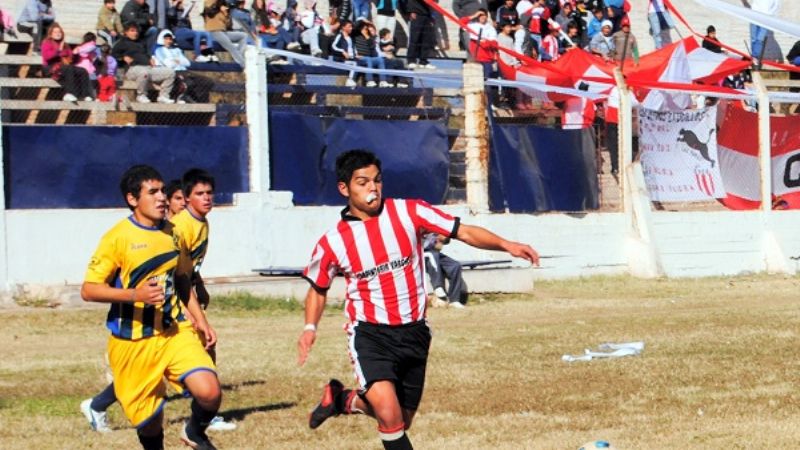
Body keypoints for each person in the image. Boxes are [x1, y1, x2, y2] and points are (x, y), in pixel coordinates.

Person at [298, 149, 539, 450]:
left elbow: (462, 232)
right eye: (362, 182)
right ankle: (353, 400)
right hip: (371, 335)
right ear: (344, 188)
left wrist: (506, 244)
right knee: (388, 414)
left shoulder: (410, 212)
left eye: (377, 180)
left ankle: (343, 399)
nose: (372, 188)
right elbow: (318, 287)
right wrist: (310, 328)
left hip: (414, 332)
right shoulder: (333, 241)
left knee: (401, 419)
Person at [80, 164, 221, 450]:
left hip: (173, 331)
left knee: (210, 392)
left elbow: (182, 279)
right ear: (133, 199)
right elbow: (89, 290)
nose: (161, 198)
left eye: (162, 192)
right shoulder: (117, 238)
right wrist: (135, 295)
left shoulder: (173, 232)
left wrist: (201, 321)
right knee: (150, 423)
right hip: (132, 341)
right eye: (152, 192)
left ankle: (194, 432)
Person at [112, 23, 177, 103]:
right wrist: (122, 58)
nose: (135, 33)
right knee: (144, 72)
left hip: (149, 68)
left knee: (170, 72)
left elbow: (146, 54)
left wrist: (150, 58)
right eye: (132, 31)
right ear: (126, 32)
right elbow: (113, 56)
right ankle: (141, 95)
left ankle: (163, 96)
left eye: (136, 31)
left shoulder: (141, 43)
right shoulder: (121, 43)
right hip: (132, 70)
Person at [153, 29, 215, 103]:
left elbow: (187, 63)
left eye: (170, 39)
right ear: (161, 39)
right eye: (166, 39)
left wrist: (175, 60)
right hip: (174, 73)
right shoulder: (159, 50)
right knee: (188, 83)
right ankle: (182, 98)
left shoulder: (177, 50)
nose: (169, 41)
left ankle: (199, 101)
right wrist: (178, 61)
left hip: (185, 71)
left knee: (207, 82)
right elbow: (169, 64)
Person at [40, 23, 94, 102]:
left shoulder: (65, 44)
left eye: (59, 32)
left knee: (82, 71)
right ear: (50, 34)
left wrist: (74, 53)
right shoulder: (47, 43)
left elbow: (71, 57)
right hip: (50, 67)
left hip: (64, 66)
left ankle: (86, 95)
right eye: (55, 32)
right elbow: (47, 57)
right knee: (69, 69)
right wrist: (59, 51)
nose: (58, 34)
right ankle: (69, 93)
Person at [423, 233, 468, 308]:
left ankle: (454, 300)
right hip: (420, 253)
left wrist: (444, 238)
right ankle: (438, 287)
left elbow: (444, 242)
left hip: (435, 253)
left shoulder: (437, 226)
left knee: (455, 265)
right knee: (432, 255)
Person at [203, 0, 248, 68]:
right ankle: (244, 65)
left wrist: (226, 13)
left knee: (243, 36)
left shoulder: (225, 7)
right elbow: (209, 11)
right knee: (231, 47)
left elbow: (228, 25)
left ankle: (239, 57)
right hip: (214, 31)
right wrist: (218, 7)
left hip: (223, 32)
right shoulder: (210, 3)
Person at [353, 19, 391, 87]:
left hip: (369, 57)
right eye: (363, 28)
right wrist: (364, 21)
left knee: (380, 59)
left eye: (366, 28)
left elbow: (372, 46)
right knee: (368, 59)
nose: (365, 29)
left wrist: (366, 36)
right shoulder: (356, 34)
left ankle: (383, 81)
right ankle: (369, 80)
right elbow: (355, 25)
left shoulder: (369, 36)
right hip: (360, 58)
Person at [403, 0, 437, 69]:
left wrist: (433, 16)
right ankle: (411, 60)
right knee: (415, 38)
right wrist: (411, 11)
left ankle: (423, 61)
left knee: (426, 39)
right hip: (416, 13)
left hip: (427, 14)